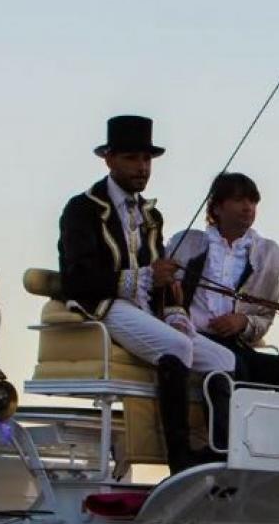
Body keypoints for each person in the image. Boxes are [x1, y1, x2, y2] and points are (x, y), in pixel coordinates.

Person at [56, 115, 236, 471]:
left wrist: (175, 310)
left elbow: (158, 281)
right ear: (109, 160)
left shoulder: (152, 216)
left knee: (222, 360)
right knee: (178, 346)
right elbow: (77, 279)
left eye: (146, 159)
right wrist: (141, 278)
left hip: (144, 310)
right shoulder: (83, 209)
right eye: (131, 158)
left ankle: (218, 451)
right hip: (104, 305)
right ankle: (179, 458)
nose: (141, 167)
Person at [168, 171, 279, 391]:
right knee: (235, 367)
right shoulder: (186, 243)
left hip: (236, 344)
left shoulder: (269, 254)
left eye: (252, 201)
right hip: (192, 338)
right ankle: (225, 426)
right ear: (216, 207)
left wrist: (242, 321)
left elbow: (265, 317)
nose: (248, 207)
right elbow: (162, 294)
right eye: (238, 200)